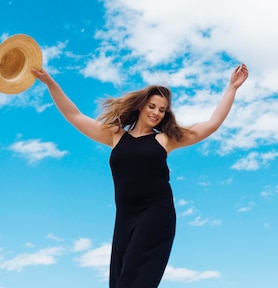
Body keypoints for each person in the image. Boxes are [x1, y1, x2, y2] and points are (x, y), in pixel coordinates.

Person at [31, 63, 249, 288]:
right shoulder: (115, 136)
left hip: (155, 215)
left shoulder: (165, 139)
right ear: (141, 106)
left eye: (162, 110)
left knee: (132, 282)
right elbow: (74, 115)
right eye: (152, 106)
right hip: (125, 219)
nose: (156, 113)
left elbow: (212, 124)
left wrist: (232, 87)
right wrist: (50, 82)